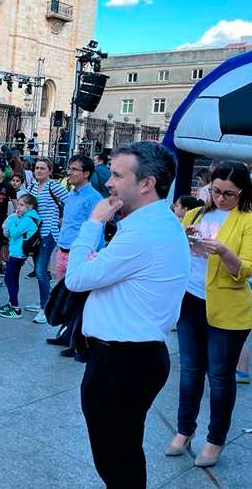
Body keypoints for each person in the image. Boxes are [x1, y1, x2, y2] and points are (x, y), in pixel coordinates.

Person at [65, 141, 189, 488]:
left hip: (122, 361)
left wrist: (92, 224)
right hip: (131, 357)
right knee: (122, 453)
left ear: (146, 183)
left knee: (116, 459)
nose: (109, 183)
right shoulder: (155, 224)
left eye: (118, 175)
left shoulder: (144, 233)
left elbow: (75, 279)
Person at [166, 161, 252, 468]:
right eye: (216, 191)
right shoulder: (195, 213)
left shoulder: (247, 220)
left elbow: (244, 271)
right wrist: (185, 239)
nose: (221, 198)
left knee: (219, 376)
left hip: (228, 309)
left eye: (229, 193)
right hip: (191, 301)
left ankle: (215, 440)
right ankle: (184, 430)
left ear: (242, 192)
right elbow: (173, 252)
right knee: (189, 371)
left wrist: (224, 252)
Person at [25, 157, 69, 323]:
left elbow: (70, 201)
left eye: (43, 168)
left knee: (40, 270)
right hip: (35, 233)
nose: (39, 171)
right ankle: (46, 300)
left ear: (50, 171)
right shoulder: (33, 186)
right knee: (39, 270)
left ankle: (45, 308)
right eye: (37, 168)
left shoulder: (54, 186)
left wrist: (62, 220)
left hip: (49, 232)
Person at [54, 155, 103, 281]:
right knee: (61, 297)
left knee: (75, 298)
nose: (69, 172)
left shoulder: (93, 198)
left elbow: (97, 231)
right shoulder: (71, 195)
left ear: (86, 173)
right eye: (69, 168)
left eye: (74, 169)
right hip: (62, 252)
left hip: (79, 256)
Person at [0, 194, 40, 319]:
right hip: (17, 251)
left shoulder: (27, 219)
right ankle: (11, 303)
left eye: (21, 205)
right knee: (13, 278)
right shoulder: (28, 217)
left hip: (18, 253)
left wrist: (13, 220)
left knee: (9, 278)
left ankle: (15, 308)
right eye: (18, 204)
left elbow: (14, 234)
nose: (18, 208)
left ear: (30, 206)